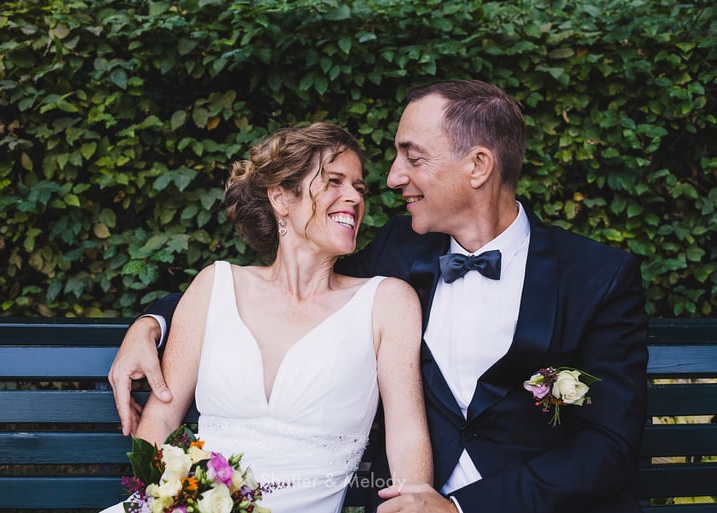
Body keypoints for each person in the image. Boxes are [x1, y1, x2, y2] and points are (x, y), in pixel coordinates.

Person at [110, 80, 649, 513]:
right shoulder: (399, 252)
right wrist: (152, 322)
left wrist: (460, 509)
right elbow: (293, 293)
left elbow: (608, 447)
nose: (392, 179)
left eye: (411, 158)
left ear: (478, 166)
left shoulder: (598, 276)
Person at [102, 122, 432, 513]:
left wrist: (416, 503)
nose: (353, 198)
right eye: (334, 182)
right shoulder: (215, 285)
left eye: (359, 189)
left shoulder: (388, 302)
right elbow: (159, 421)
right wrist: (173, 502)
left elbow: (407, 435)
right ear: (280, 197)